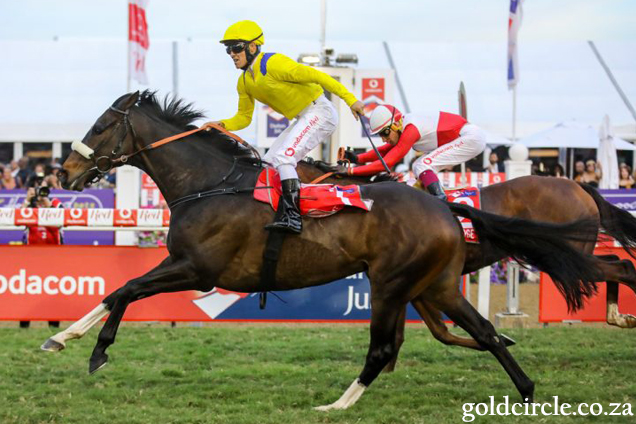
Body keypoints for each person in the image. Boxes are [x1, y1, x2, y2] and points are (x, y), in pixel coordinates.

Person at [202, 20, 364, 234]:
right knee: (268, 163)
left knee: (284, 158)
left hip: (320, 111)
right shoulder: (244, 82)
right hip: (304, 116)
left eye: (236, 47)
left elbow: (318, 76)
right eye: (228, 49)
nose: (231, 53)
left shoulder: (273, 63)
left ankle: (293, 215)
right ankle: (277, 210)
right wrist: (221, 124)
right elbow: (243, 118)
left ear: (252, 47)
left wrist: (351, 100)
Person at [342, 105, 486, 201]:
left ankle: (441, 202)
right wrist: (357, 158)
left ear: (396, 124)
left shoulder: (411, 129)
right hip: (467, 137)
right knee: (418, 165)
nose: (384, 139)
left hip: (470, 137)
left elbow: (387, 162)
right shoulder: (404, 127)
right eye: (380, 135)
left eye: (385, 133)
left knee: (423, 165)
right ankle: (437, 195)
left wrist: (350, 172)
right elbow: (386, 150)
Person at [20, 174, 64, 328]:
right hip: (32, 255)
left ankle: (53, 324)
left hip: (53, 254)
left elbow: (62, 221)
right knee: (28, 289)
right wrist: (27, 200)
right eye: (38, 188)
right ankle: (24, 324)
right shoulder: (30, 206)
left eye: (43, 187)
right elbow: (16, 220)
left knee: (53, 289)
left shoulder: (55, 203)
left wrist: (48, 206)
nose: (41, 192)